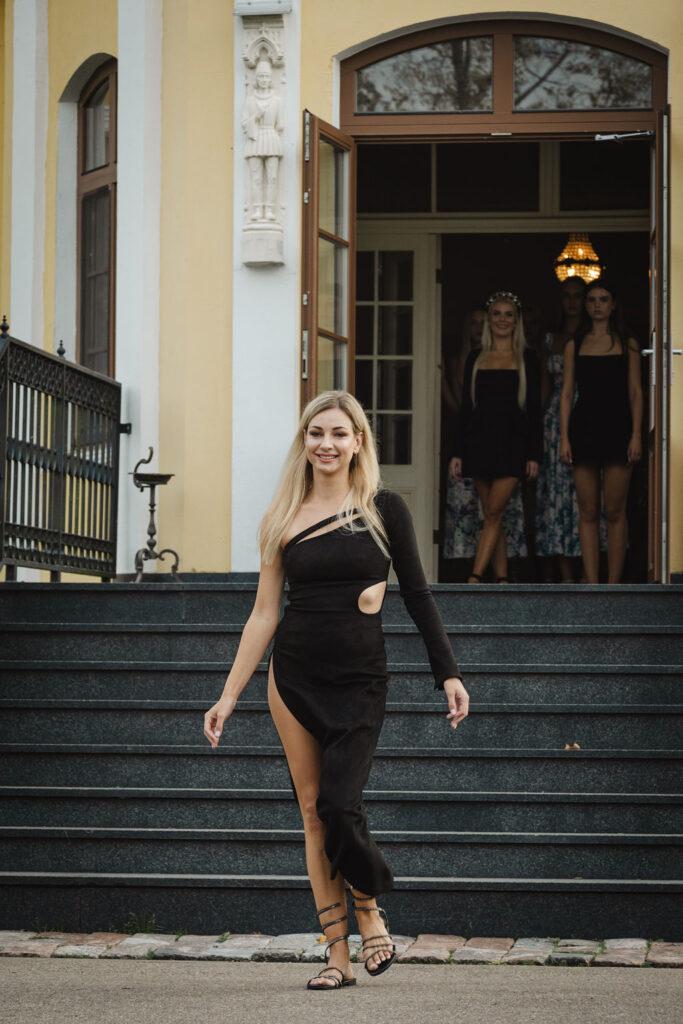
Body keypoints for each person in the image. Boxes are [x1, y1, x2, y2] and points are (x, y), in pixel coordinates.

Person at [203, 390, 469, 991]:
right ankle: (337, 955)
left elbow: (418, 595)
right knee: (312, 813)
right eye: (316, 433)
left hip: (359, 680)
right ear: (304, 442)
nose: (326, 443)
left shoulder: (383, 509)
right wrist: (229, 695)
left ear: (358, 442)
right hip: (293, 677)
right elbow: (264, 614)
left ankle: (369, 907)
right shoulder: (281, 516)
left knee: (340, 804)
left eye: (339, 433)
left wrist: (448, 673)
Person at [448, 291, 542, 584]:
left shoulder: (527, 358)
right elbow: (466, 409)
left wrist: (534, 454)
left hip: (513, 446)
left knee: (492, 511)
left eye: (508, 314)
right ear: (489, 320)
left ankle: (474, 577)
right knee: (493, 514)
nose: (502, 320)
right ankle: (501, 578)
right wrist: (457, 452)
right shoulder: (476, 357)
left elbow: (534, 410)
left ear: (517, 321)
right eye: (497, 314)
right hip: (479, 444)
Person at [560, 279, 643, 583]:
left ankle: (613, 585)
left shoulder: (627, 342)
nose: (597, 305)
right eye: (592, 299)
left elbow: (635, 391)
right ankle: (593, 584)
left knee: (615, 510)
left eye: (604, 299)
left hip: (619, 427)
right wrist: (564, 437)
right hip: (584, 428)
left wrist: (636, 434)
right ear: (586, 305)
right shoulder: (575, 343)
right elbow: (566, 393)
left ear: (613, 304)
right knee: (588, 510)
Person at [535, 277, 586, 581]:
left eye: (578, 296)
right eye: (567, 296)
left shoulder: (591, 336)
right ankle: (565, 573)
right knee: (557, 494)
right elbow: (544, 386)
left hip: (587, 413)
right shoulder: (549, 339)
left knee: (585, 496)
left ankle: (589, 572)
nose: (572, 302)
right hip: (555, 420)